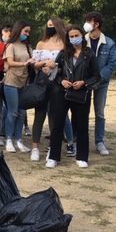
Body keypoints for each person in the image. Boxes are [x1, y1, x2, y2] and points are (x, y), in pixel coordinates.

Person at [46, 25, 100, 169]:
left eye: (77, 35)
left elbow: (96, 76)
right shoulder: (64, 53)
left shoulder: (89, 54)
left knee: (82, 125)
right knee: (58, 124)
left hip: (81, 93)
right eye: (71, 36)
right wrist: (61, 81)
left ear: (82, 36)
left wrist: (84, 82)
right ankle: (53, 156)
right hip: (62, 93)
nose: (74, 38)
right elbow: (55, 73)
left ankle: (82, 156)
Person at [30, 17, 67, 162]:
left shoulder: (65, 44)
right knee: (39, 114)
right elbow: (34, 64)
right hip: (41, 82)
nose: (50, 28)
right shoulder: (41, 43)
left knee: (54, 115)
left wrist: (56, 65)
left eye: (52, 25)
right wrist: (44, 63)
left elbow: (67, 64)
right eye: (48, 26)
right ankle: (35, 147)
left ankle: (53, 146)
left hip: (57, 83)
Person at [84, 12, 116, 156]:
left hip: (101, 83)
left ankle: (99, 141)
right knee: (81, 112)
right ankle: (79, 140)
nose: (86, 24)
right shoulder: (82, 40)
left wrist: (97, 78)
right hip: (83, 82)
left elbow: (111, 65)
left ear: (96, 24)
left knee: (100, 112)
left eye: (88, 21)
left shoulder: (109, 43)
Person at [2, 21, 34, 154]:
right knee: (12, 111)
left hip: (24, 82)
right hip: (11, 81)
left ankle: (18, 139)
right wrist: (24, 63)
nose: (27, 34)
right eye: (25, 31)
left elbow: (33, 59)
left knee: (21, 112)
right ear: (19, 30)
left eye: (28, 32)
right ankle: (9, 139)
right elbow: (10, 62)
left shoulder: (27, 46)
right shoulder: (10, 45)